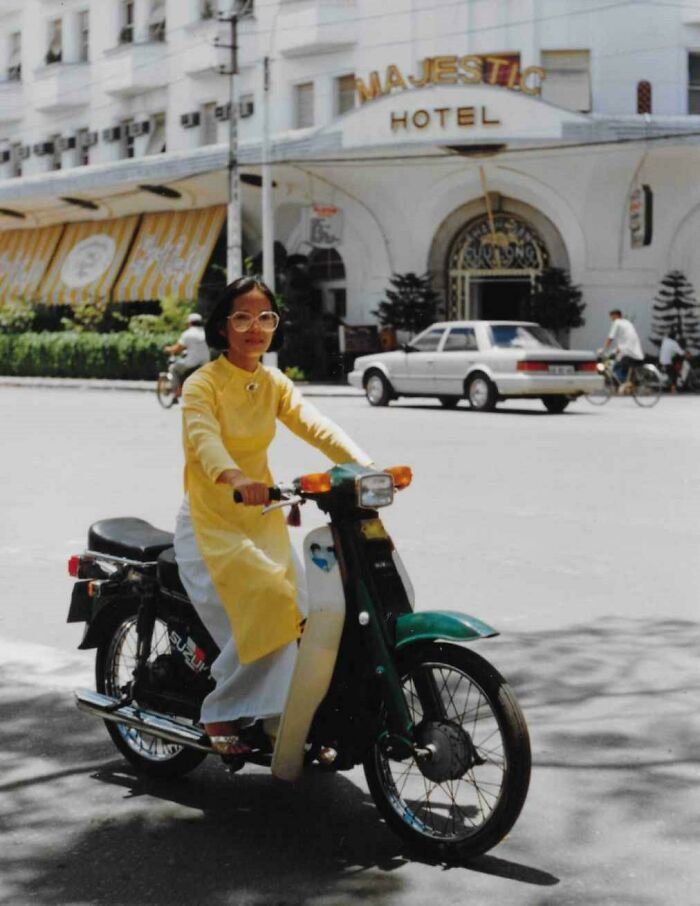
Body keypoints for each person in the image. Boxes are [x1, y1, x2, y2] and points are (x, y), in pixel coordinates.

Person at [172, 276, 373, 756]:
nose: (254, 327)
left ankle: (280, 719)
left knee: (308, 613)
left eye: (265, 317)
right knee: (270, 605)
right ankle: (220, 712)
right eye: (241, 317)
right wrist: (236, 478)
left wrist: (364, 466)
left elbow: (314, 424)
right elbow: (205, 442)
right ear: (222, 326)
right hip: (211, 521)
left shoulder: (273, 382)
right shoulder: (202, 384)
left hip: (261, 517)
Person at [164, 312, 211, 399]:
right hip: (205, 363)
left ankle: (177, 391)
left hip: (191, 364)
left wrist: (168, 349)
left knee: (173, 368)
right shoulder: (206, 333)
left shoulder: (188, 334)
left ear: (189, 323)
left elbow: (177, 349)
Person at [602, 309, 644, 388]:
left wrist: (604, 349)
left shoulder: (617, 322)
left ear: (616, 315)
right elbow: (625, 340)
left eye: (612, 316)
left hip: (628, 352)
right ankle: (627, 384)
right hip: (635, 351)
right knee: (621, 363)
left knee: (616, 367)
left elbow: (611, 337)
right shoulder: (627, 323)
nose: (611, 319)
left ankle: (625, 384)